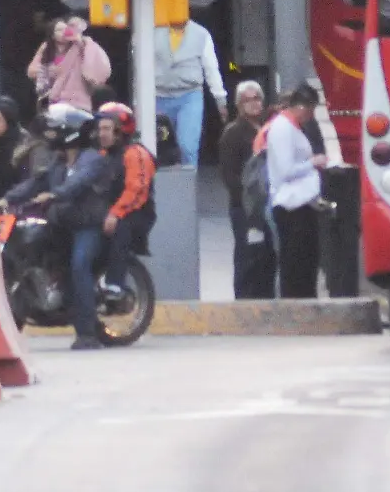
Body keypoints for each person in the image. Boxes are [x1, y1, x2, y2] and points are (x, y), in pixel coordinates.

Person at [1, 105, 114, 350]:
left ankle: (87, 334)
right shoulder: (59, 161)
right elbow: (36, 182)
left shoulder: (92, 160)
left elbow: (77, 184)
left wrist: (53, 194)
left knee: (79, 265)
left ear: (71, 133)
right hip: (62, 223)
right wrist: (8, 199)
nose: (50, 136)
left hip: (87, 226)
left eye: (55, 131)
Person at [265, 85, 329, 299]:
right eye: (310, 111)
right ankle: (295, 301)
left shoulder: (294, 127)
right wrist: (313, 162)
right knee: (295, 262)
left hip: (304, 202)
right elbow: (285, 170)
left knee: (307, 260)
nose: (310, 117)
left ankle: (305, 298)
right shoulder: (283, 129)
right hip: (291, 204)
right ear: (301, 107)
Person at [94, 102, 156, 301]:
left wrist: (115, 213)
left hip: (135, 213)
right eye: (100, 129)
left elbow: (136, 191)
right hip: (110, 210)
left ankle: (115, 284)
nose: (101, 134)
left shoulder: (136, 154)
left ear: (120, 131)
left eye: (106, 129)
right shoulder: (103, 155)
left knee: (120, 230)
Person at [153, 16, 228, 166]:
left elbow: (211, 68)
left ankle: (189, 185)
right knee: (157, 146)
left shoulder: (201, 34)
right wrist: (137, 100)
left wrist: (220, 99)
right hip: (158, 96)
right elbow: (140, 66)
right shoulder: (151, 30)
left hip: (189, 96)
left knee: (187, 146)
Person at [217, 80, 268, 299]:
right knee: (246, 253)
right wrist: (248, 198)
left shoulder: (268, 128)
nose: (254, 104)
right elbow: (229, 174)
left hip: (267, 202)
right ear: (239, 105)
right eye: (248, 100)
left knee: (266, 254)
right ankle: (244, 298)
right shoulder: (233, 133)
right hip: (244, 207)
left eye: (257, 98)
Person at [28, 16, 112, 114]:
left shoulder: (81, 45)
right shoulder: (46, 48)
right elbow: (32, 72)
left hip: (78, 101)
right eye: (59, 30)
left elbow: (94, 68)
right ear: (52, 35)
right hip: (53, 101)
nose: (63, 32)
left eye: (65, 29)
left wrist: (80, 43)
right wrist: (51, 71)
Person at [0, 0, 49, 111]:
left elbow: (41, 18)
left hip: (30, 49)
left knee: (29, 92)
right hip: (6, 53)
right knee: (8, 92)